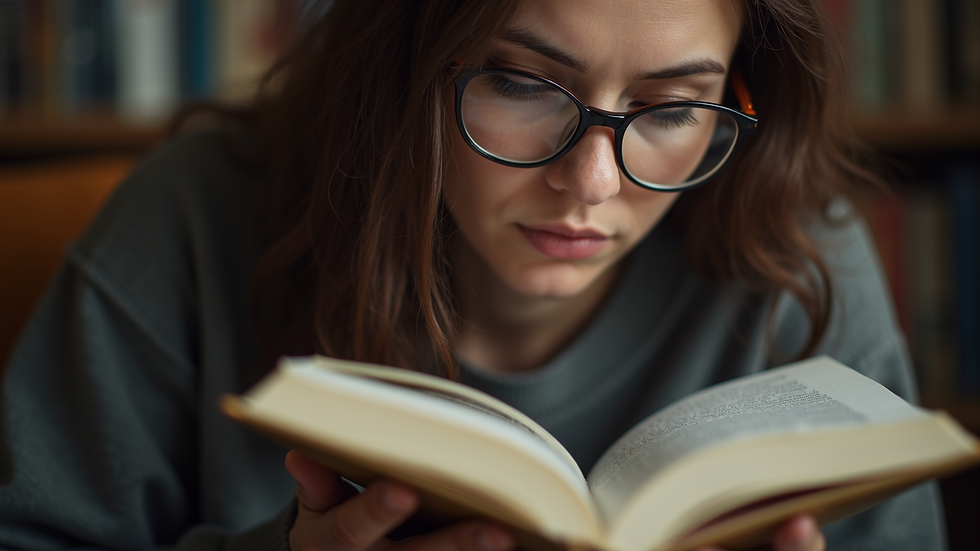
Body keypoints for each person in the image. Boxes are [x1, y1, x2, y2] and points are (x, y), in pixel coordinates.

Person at [0, 0, 947, 550]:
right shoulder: (192, 218)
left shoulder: (797, 251)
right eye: (525, 85)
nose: (590, 181)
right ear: (407, 63)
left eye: (671, 108)